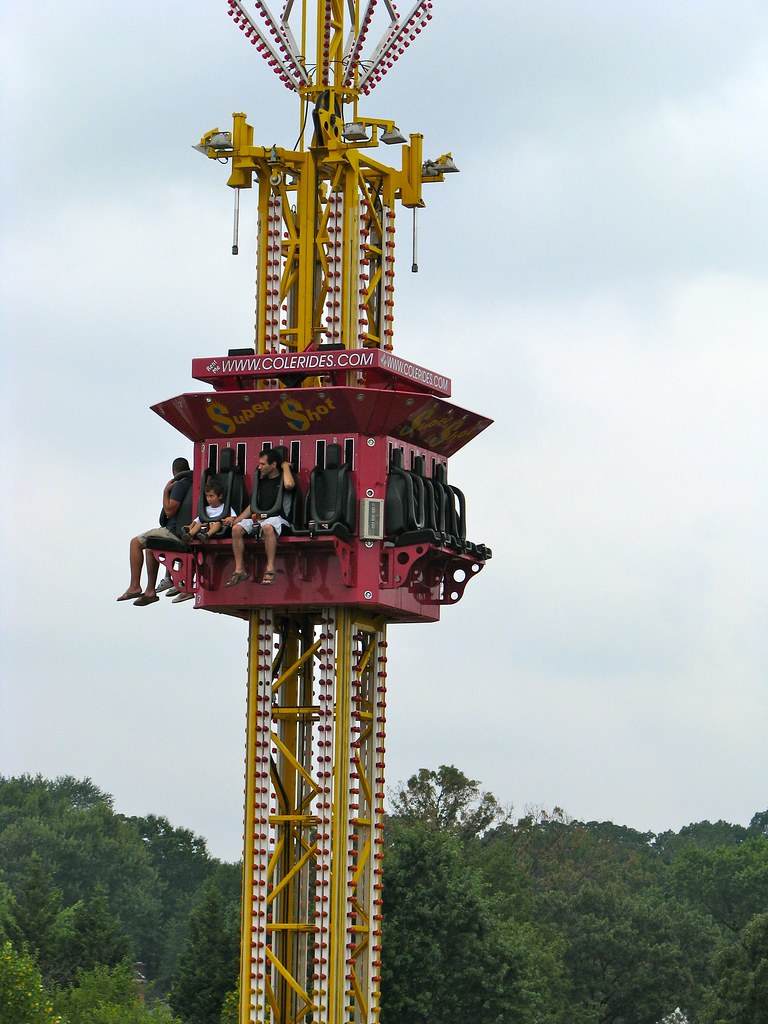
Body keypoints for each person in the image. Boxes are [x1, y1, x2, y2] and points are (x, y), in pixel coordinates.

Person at [117, 457, 193, 606]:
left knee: (135, 543)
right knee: (150, 547)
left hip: (174, 533)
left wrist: (165, 492)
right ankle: (150, 591)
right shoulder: (193, 484)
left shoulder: (180, 485)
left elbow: (170, 510)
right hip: (183, 532)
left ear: (173, 471)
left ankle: (134, 586)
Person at [223, 448, 296, 586]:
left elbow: (289, 485)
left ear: (273, 465)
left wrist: (285, 466)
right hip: (259, 518)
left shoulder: (283, 479)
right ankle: (240, 570)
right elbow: (252, 506)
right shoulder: (261, 482)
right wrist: (236, 520)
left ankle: (270, 569)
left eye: (263, 464)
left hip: (278, 519)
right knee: (237, 529)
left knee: (268, 527)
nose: (259, 467)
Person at [180, 477, 234, 542]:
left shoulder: (226, 508)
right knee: (198, 524)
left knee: (217, 524)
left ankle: (207, 536)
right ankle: (189, 535)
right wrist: (190, 526)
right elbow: (198, 519)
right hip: (206, 526)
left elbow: (234, 517)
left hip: (219, 527)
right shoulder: (206, 509)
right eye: (207, 496)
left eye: (211, 496)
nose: (209, 499)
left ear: (220, 496)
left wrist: (231, 519)